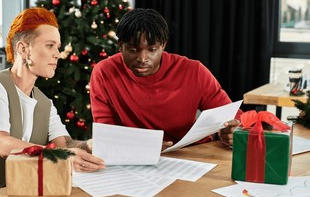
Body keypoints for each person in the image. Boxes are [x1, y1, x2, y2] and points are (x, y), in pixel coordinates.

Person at [0, 7, 105, 195]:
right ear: (23, 49)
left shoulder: (45, 103)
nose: (57, 54)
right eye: (50, 45)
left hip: (20, 188)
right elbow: (1, 145)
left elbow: (64, 145)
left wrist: (87, 146)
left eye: (58, 47)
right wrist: (63, 155)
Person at [90, 8, 241, 150]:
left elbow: (234, 117)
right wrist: (146, 148)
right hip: (135, 157)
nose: (142, 58)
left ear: (163, 45)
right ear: (121, 45)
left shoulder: (194, 71)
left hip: (193, 153)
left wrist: (234, 130)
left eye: (152, 50)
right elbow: (106, 135)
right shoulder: (104, 73)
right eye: (133, 50)